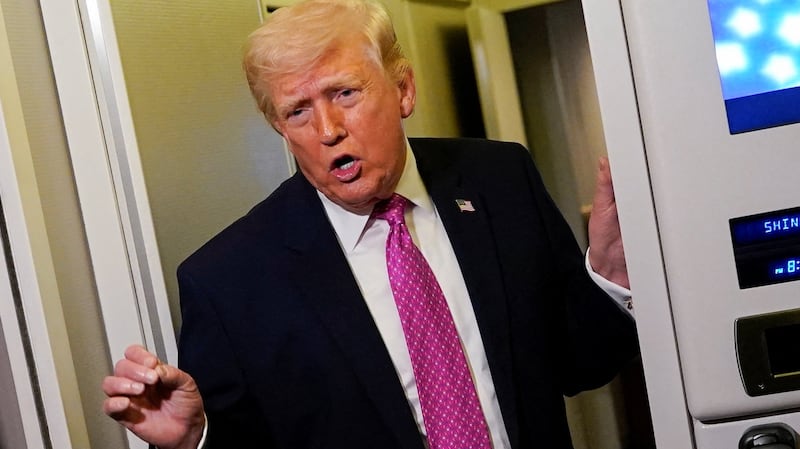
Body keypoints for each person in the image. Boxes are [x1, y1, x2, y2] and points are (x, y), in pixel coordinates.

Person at [102, 0, 637, 448]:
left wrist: (609, 272)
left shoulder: (499, 180)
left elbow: (579, 365)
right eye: (298, 112)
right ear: (278, 127)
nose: (328, 129)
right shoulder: (229, 280)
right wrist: (198, 438)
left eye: (344, 93)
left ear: (403, 89)